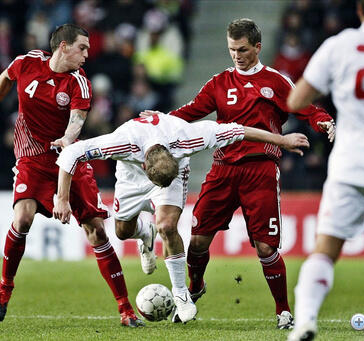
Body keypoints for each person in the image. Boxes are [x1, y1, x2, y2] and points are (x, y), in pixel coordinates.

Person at [142, 18, 335, 329]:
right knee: (198, 241)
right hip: (222, 170)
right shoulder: (219, 83)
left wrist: (322, 120)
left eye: (242, 49)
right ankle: (195, 286)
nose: (237, 55)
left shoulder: (276, 82)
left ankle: (283, 310)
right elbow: (190, 112)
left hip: (260, 170)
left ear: (257, 47)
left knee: (266, 247)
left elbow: (307, 108)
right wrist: (159, 120)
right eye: (232, 49)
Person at [53, 113, 310, 323]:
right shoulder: (122, 142)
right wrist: (62, 198)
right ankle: (145, 232)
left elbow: (240, 130)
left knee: (166, 225)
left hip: (172, 175)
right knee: (122, 231)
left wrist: (281, 141)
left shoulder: (188, 137)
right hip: (131, 178)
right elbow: (70, 154)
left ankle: (181, 295)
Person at [0, 24, 144, 327]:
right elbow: (5, 77)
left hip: (70, 157)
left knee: (97, 231)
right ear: (63, 47)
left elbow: (76, 123)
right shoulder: (27, 62)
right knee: (22, 218)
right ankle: (4, 290)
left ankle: (125, 310)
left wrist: (68, 139)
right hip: (32, 156)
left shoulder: (79, 84)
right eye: (82, 48)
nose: (87, 54)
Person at [286, 1, 364, 340]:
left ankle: (305, 321)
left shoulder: (339, 46)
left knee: (325, 249)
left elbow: (295, 102)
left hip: (351, 163)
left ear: (359, 10)